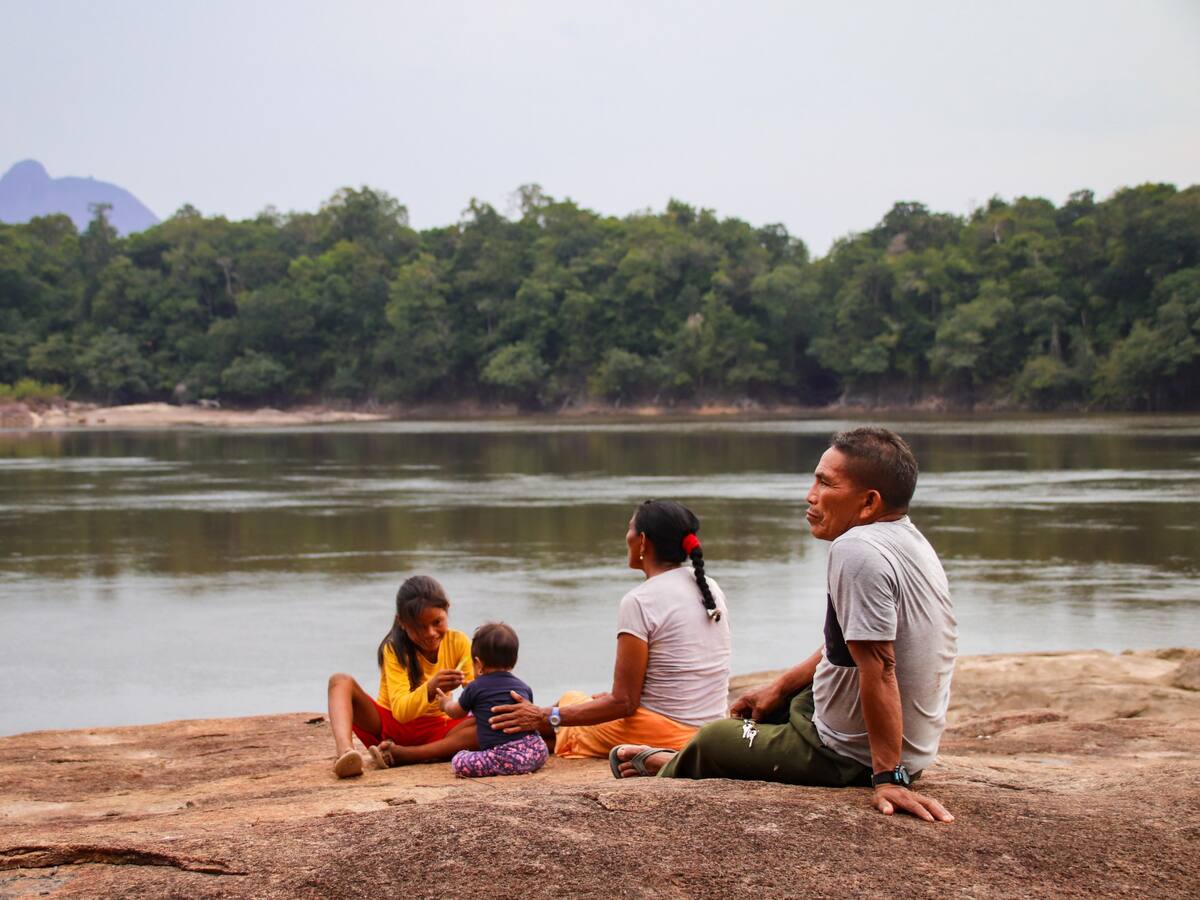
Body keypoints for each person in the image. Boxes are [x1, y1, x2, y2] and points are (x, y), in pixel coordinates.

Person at [613, 427, 958, 824]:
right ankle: (702, 756)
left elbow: (879, 665)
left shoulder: (855, 549)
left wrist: (888, 777)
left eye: (825, 483)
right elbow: (847, 643)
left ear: (868, 502)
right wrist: (778, 687)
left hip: (849, 754)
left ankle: (672, 768)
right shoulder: (909, 539)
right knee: (776, 706)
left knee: (715, 738)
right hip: (881, 733)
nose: (810, 495)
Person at [490, 499, 732, 761]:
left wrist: (543, 715)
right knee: (575, 701)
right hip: (709, 728)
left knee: (565, 715)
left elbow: (623, 703)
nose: (625, 536)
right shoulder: (709, 586)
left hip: (665, 733)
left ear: (642, 541)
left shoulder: (640, 600)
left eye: (629, 529)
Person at [325, 575, 476, 778]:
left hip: (439, 729)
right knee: (339, 681)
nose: (430, 633)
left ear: (447, 609)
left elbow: (476, 693)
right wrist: (430, 688)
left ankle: (406, 755)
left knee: (487, 726)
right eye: (420, 627)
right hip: (391, 726)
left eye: (437, 622)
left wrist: (471, 691)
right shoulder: (394, 649)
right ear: (402, 623)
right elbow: (401, 712)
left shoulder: (459, 642)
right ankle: (346, 753)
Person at [436, 622, 549, 777]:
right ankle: (524, 763)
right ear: (514, 661)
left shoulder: (475, 687)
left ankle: (513, 765)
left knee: (459, 760)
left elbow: (457, 713)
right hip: (537, 752)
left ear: (478, 663)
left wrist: (445, 703)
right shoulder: (524, 687)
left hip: (504, 757)